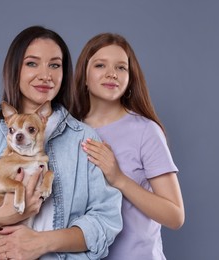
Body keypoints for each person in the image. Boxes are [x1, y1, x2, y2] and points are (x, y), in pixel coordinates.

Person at [0, 26, 122, 260]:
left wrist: (40, 243)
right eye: (32, 63)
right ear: (15, 69)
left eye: (55, 65)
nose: (45, 75)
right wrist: (5, 214)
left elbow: (105, 221)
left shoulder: (84, 139)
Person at [72, 33, 185, 260]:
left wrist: (118, 178)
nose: (111, 73)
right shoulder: (69, 131)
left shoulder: (146, 131)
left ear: (130, 78)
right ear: (83, 76)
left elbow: (175, 216)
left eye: (121, 67)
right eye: (100, 65)